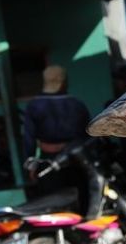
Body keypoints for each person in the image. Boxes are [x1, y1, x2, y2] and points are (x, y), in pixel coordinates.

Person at [23, 65, 90, 197]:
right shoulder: (77, 105)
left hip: (48, 162)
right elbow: (88, 135)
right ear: (64, 82)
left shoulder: (33, 106)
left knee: (53, 202)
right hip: (76, 160)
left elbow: (28, 139)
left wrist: (31, 165)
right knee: (79, 198)